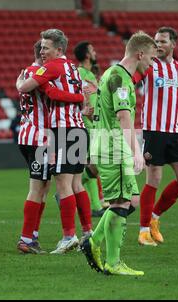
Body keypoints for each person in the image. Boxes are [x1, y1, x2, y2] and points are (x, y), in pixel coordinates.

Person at [81, 31, 157, 276]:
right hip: (113, 144)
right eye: (152, 58)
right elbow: (123, 116)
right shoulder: (119, 78)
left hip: (107, 141)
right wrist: (136, 152)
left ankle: (93, 241)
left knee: (131, 200)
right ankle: (111, 261)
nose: (152, 63)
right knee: (121, 202)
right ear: (140, 53)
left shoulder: (113, 74)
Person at [17, 29, 94, 254]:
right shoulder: (73, 69)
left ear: (58, 50)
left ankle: (68, 236)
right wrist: (80, 99)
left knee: (60, 185)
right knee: (75, 183)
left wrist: (24, 83)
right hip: (78, 129)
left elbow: (26, 88)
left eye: (46, 48)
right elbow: (82, 98)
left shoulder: (47, 68)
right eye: (41, 48)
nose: (43, 51)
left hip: (61, 131)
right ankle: (88, 233)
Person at [134, 27, 178, 246]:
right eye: (156, 41)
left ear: (173, 44)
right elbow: (131, 81)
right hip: (153, 131)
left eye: (163, 41)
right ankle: (142, 231)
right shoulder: (149, 66)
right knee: (154, 179)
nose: (158, 45)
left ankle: (154, 219)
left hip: (174, 132)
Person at [73, 40, 107, 217]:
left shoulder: (90, 74)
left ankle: (95, 205)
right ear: (87, 54)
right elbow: (80, 98)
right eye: (92, 50)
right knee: (97, 165)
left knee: (92, 165)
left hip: (95, 123)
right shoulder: (79, 73)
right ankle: (92, 203)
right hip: (87, 124)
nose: (95, 52)